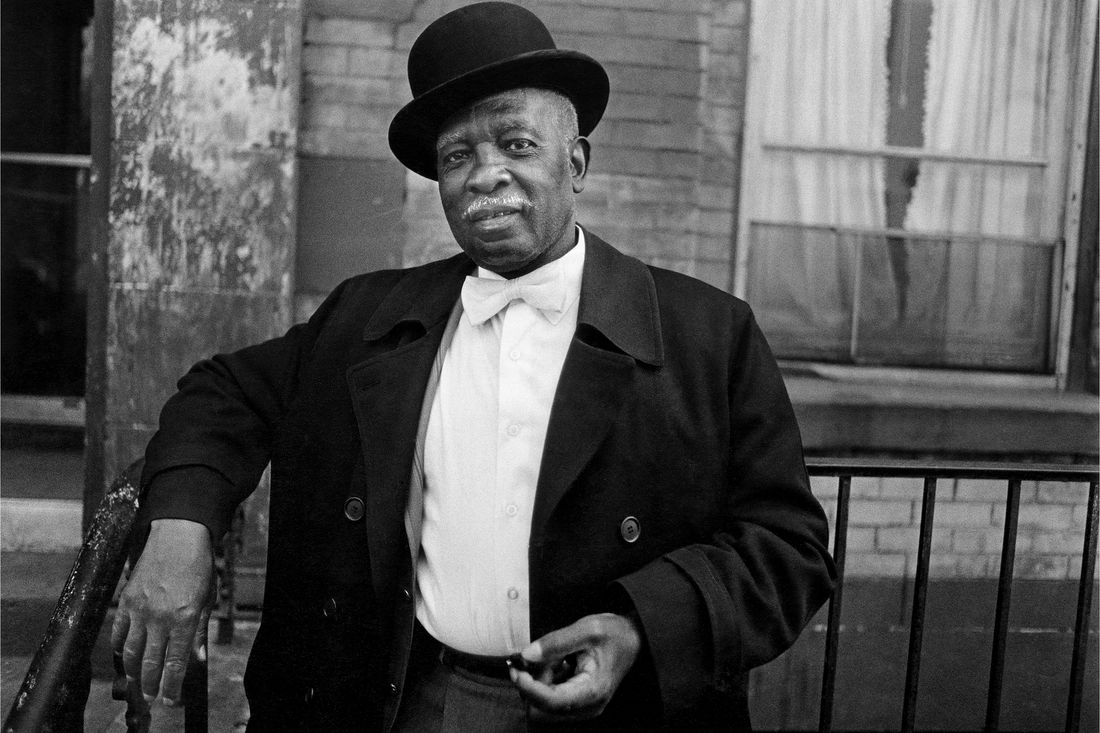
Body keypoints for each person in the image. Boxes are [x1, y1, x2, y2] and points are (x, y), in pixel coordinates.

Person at [112, 3, 835, 731]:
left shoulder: (709, 335)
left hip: (622, 712)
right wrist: (180, 522)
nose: (486, 174)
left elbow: (790, 548)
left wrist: (642, 626)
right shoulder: (367, 315)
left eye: (516, 143)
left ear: (575, 162)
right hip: (410, 700)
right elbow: (224, 391)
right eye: (457, 156)